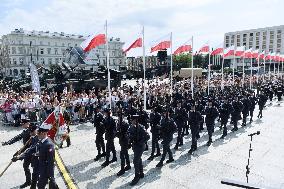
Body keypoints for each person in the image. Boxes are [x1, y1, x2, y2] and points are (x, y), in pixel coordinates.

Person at [2, 118, 32, 188]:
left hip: (32, 152)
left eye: (23, 124)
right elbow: (17, 137)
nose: (21, 125)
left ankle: (46, 181)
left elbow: (29, 145)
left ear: (27, 124)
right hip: (27, 151)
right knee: (26, 166)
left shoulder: (30, 131)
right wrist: (7, 143)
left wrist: (19, 154)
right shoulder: (25, 131)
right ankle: (29, 182)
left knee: (36, 168)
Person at [12, 124, 39, 189]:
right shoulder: (32, 137)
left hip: (35, 157)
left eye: (32, 132)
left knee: (36, 171)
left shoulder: (38, 138)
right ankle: (28, 181)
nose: (30, 133)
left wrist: (19, 157)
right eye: (30, 132)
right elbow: (26, 147)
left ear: (35, 131)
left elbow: (31, 149)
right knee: (25, 166)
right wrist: (18, 153)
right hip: (28, 154)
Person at [128, 115, 150, 186]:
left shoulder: (141, 127)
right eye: (131, 120)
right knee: (138, 159)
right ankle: (141, 173)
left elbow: (148, 136)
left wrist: (140, 142)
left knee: (135, 161)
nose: (131, 121)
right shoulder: (131, 127)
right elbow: (130, 135)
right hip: (135, 146)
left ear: (136, 120)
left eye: (133, 120)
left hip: (140, 146)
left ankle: (137, 176)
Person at [116, 108, 131, 176]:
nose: (119, 118)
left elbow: (127, 133)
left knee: (122, 155)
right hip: (121, 140)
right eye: (118, 116)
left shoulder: (125, 123)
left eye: (120, 116)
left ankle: (122, 169)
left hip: (125, 141)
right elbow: (117, 131)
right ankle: (128, 165)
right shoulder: (118, 122)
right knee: (125, 153)